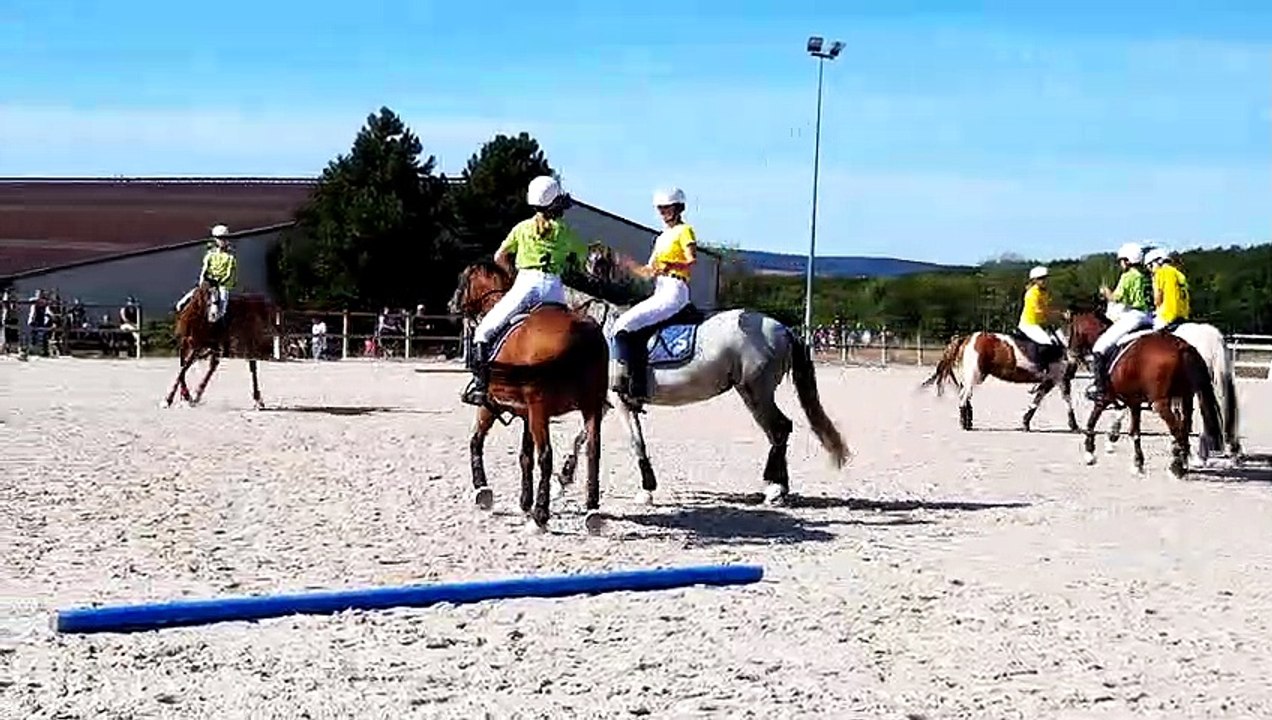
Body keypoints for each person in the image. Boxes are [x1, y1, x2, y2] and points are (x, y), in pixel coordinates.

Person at [463, 175, 588, 406]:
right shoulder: (566, 231)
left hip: (527, 283)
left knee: (483, 331)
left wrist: (510, 274)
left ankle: (481, 387)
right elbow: (582, 260)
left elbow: (499, 256)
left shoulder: (522, 228)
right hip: (554, 289)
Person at [606, 187, 698, 397]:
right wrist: (627, 265)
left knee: (623, 325)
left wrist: (670, 263)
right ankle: (637, 381)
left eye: (668, 208)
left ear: (678, 208)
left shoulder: (685, 231)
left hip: (676, 289)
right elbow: (648, 273)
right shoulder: (661, 238)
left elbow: (691, 258)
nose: (664, 213)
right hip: (661, 289)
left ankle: (625, 380)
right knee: (630, 326)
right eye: (661, 209)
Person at [1086, 242, 1154, 401]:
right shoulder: (1146, 276)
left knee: (1099, 348)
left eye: (1122, 261)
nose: (1121, 264)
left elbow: (1117, 298)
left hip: (1133, 316)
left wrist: (1106, 293)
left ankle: (1101, 388)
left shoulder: (1128, 276)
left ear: (1128, 261)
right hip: (1149, 317)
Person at [1016, 265, 1063, 364]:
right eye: (1041, 279)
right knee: (1046, 343)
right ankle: (1038, 367)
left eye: (1045, 278)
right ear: (1034, 281)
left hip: (1041, 323)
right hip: (1029, 324)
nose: (1044, 281)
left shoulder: (1044, 292)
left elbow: (1047, 308)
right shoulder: (1032, 293)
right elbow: (1039, 311)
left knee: (1058, 342)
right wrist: (1058, 315)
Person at [1146, 247, 1190, 331]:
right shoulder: (1179, 274)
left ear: (1155, 263)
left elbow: (1157, 300)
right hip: (1183, 316)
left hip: (1166, 316)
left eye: (1150, 266)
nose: (1151, 271)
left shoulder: (1160, 273)